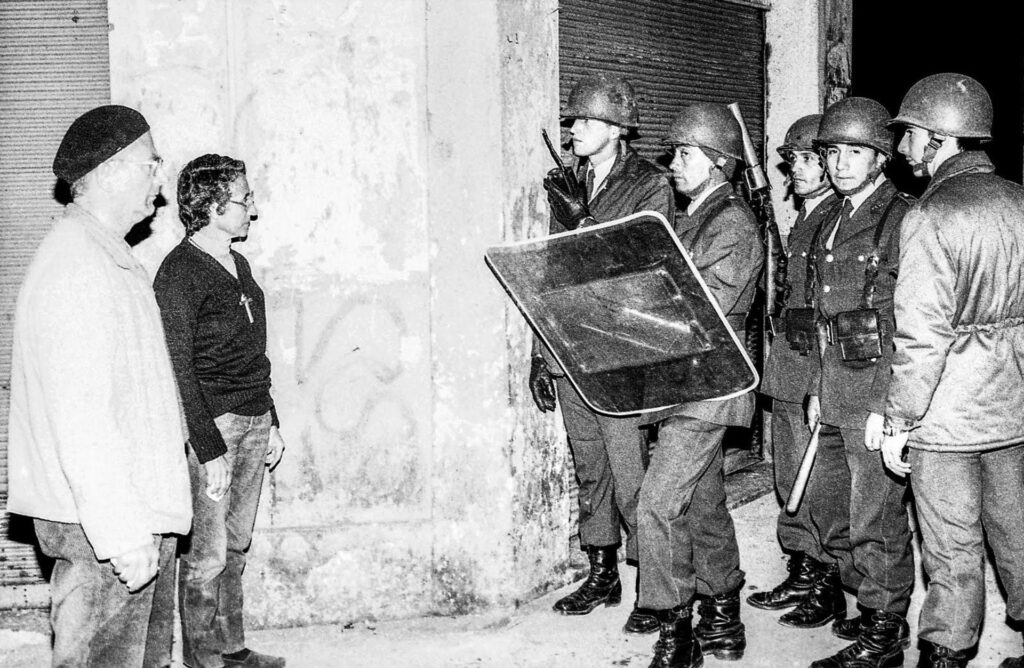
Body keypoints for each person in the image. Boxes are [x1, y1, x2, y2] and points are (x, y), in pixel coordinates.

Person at [6, 105, 191, 667]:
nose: (161, 178)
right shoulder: (77, 268)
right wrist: (122, 534)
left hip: (130, 512)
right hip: (106, 527)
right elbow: (81, 419)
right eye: (151, 163)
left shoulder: (107, 256)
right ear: (111, 170)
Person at [880, 73, 1024, 668]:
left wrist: (899, 419)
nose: (901, 147)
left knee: (951, 548)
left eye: (910, 134)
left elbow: (922, 336)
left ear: (939, 138)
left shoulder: (930, 214)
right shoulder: (1019, 200)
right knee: (1018, 533)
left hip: (947, 416)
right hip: (1014, 406)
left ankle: (946, 652)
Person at [531, 73, 675, 634]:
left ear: (618, 129)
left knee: (630, 472)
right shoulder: (570, 182)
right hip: (571, 347)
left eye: (587, 120)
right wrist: (542, 354)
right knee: (590, 468)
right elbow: (549, 272)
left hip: (621, 350)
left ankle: (652, 588)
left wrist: (583, 220)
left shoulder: (649, 185)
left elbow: (642, 268)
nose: (574, 128)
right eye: (572, 120)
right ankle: (602, 572)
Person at [636, 102, 763, 667]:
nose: (674, 164)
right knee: (703, 504)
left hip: (711, 386)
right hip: (685, 383)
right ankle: (723, 615)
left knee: (656, 505)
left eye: (685, 154)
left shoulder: (731, 223)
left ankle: (676, 632)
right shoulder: (694, 217)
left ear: (717, 162)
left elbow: (698, 309)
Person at [154, 154, 286, 668]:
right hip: (214, 427)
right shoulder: (179, 273)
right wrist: (207, 448)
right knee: (206, 555)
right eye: (244, 199)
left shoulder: (238, 263)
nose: (253, 208)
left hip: (253, 419)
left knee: (236, 544)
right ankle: (203, 659)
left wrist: (271, 419)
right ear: (212, 207)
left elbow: (254, 352)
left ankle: (232, 649)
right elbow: (177, 369)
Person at [804, 97, 915, 668]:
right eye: (832, 152)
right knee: (833, 509)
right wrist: (817, 388)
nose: (840, 163)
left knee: (877, 516)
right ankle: (869, 606)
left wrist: (884, 406)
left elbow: (903, 321)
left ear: (880, 158)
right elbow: (823, 317)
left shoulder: (900, 218)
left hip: (874, 387)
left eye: (855, 152)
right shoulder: (830, 218)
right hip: (834, 385)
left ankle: (885, 630)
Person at [748, 114, 846, 619]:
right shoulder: (808, 216)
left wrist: (819, 382)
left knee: (819, 479)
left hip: (813, 363)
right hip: (789, 359)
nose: (798, 170)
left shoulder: (835, 218)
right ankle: (803, 568)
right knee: (790, 473)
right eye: (793, 161)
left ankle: (826, 581)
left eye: (809, 159)